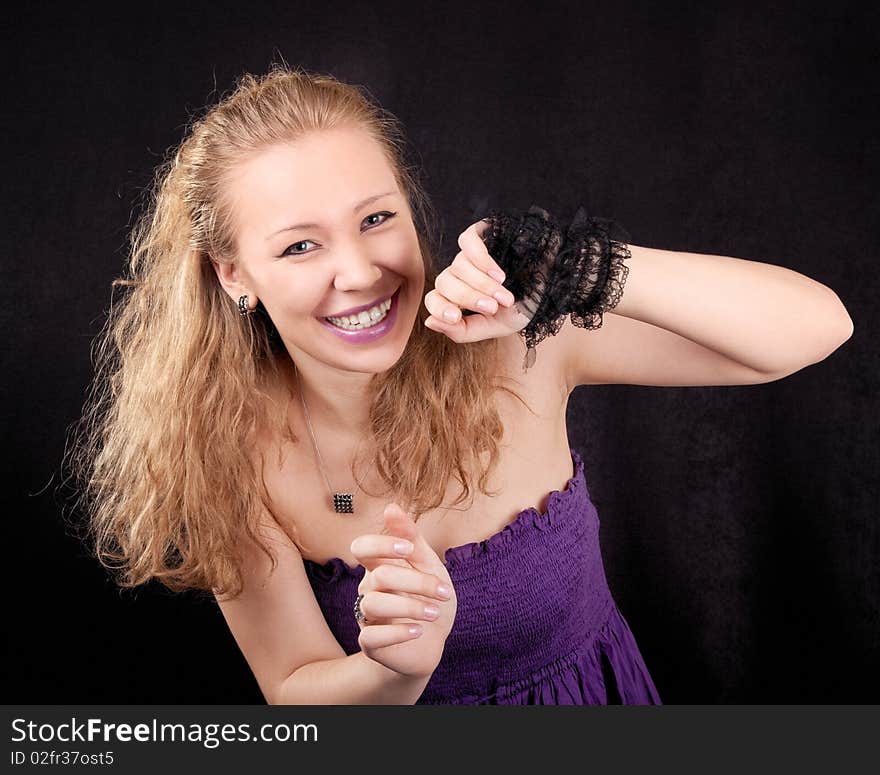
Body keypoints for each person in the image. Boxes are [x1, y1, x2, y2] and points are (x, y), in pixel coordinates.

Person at [63, 65, 853, 705]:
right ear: (236, 275)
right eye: (301, 245)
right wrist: (393, 671)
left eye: (376, 219)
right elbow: (295, 689)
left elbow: (817, 328)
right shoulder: (229, 446)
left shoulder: (513, 342)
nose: (359, 273)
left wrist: (582, 269)